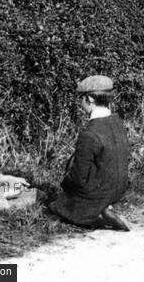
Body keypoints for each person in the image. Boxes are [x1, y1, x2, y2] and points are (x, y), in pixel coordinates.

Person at [48, 75, 130, 231]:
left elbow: (78, 177)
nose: (80, 104)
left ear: (90, 99)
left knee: (53, 206)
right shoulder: (117, 122)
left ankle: (97, 209)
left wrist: (66, 187)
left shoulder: (90, 133)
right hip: (119, 190)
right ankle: (106, 206)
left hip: (98, 193)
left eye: (81, 98)